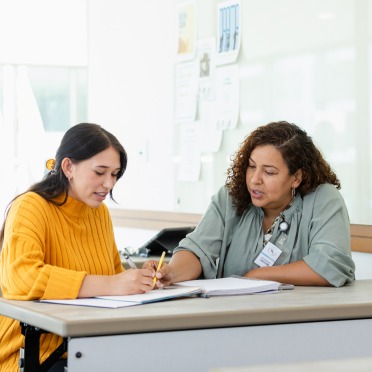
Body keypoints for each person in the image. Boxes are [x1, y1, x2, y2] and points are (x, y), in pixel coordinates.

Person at [0, 123, 156, 371]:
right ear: (68, 167)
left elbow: (115, 277)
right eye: (100, 172)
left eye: (114, 174)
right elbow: (21, 279)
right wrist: (113, 284)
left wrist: (141, 279)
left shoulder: (99, 213)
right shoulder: (30, 206)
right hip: (36, 355)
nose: (108, 184)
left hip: (88, 347)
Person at [145, 121, 355, 288]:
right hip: (234, 319)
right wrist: (170, 272)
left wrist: (258, 275)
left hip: (298, 322)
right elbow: (197, 250)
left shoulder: (323, 199)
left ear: (296, 177)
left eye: (269, 172)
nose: (255, 179)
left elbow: (331, 265)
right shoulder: (230, 198)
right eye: (251, 166)